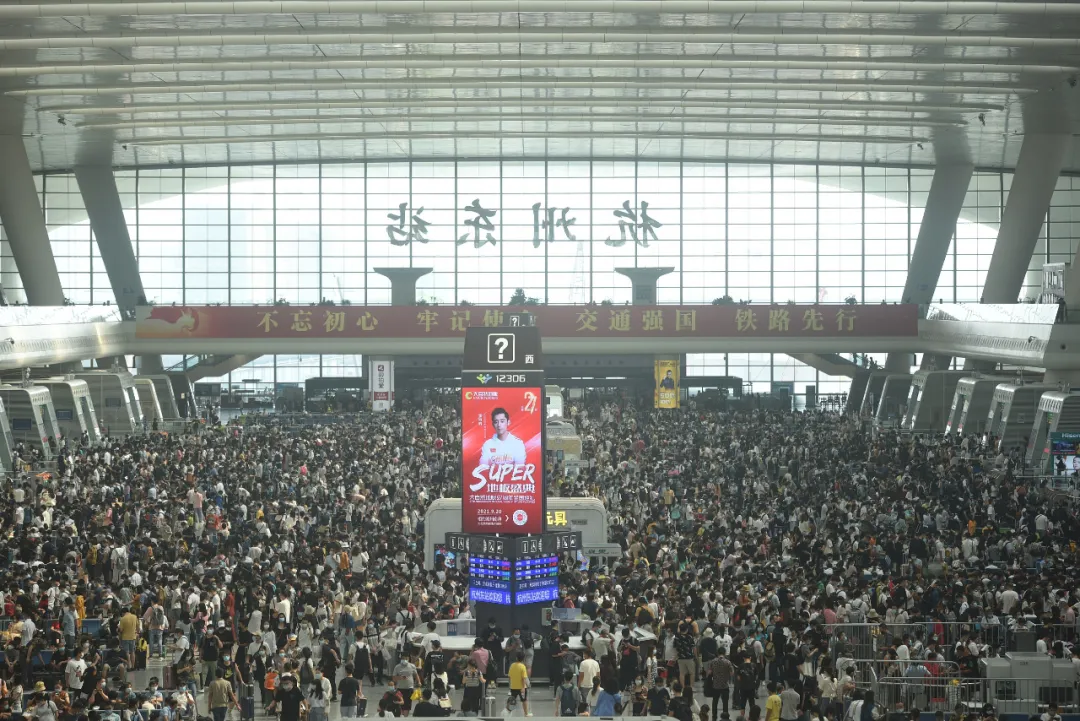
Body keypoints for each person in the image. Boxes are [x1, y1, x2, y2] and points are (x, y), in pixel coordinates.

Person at [471, 409, 527, 492]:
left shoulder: (518, 443)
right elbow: (483, 468)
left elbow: (520, 469)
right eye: (496, 422)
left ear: (508, 422)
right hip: (492, 488)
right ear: (493, 424)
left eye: (502, 421)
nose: (499, 425)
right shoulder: (488, 444)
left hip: (513, 488)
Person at [507, 651, 531, 717]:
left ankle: (508, 712)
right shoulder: (522, 666)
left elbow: (509, 676)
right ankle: (526, 714)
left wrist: (510, 685)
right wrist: (523, 687)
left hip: (513, 687)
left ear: (516, 658)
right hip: (521, 687)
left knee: (512, 700)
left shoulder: (512, 665)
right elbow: (524, 678)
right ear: (523, 659)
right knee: (524, 701)